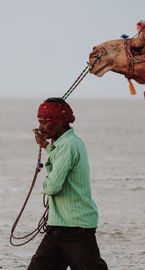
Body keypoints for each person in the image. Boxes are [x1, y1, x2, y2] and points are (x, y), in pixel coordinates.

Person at [28, 97, 108, 270]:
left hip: (75, 228)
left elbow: (53, 186)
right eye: (39, 122)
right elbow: (60, 158)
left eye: (44, 122)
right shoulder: (66, 143)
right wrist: (46, 147)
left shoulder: (68, 146)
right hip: (60, 225)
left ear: (58, 122)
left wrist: (44, 184)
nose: (40, 127)